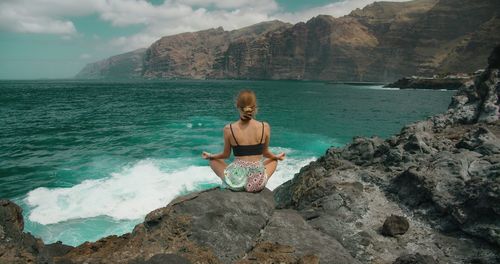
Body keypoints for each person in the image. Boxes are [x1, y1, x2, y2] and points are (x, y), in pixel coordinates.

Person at [202, 90, 285, 192]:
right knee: (273, 161)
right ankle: (254, 180)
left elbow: (226, 155)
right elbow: (266, 153)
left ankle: (231, 183)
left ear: (237, 105)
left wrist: (211, 156)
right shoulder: (265, 127)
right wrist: (276, 157)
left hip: (236, 181)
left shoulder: (229, 129)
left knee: (213, 161)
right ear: (254, 107)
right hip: (256, 182)